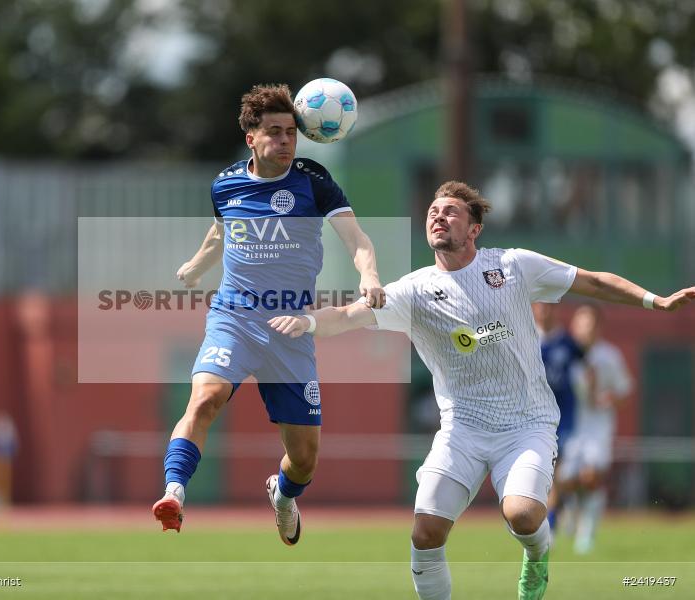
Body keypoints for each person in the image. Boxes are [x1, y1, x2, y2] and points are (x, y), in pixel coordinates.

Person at [269, 181, 695, 599]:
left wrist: (654, 301)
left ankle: (538, 554)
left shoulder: (512, 266)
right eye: (433, 212)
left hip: (526, 424)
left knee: (524, 515)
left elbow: (592, 282)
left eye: (451, 211)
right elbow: (346, 315)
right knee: (425, 532)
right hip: (463, 430)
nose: (439, 216)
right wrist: (307, 323)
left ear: (474, 228)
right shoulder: (412, 292)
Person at [152, 83, 386, 545]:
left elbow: (357, 239)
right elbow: (220, 234)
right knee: (203, 400)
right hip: (234, 317)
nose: (284, 142)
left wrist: (370, 276)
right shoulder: (226, 184)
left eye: (291, 134)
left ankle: (282, 496)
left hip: (290, 327)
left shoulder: (313, 182)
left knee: (303, 459)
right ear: (251, 139)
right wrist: (196, 267)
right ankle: (174, 493)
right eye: (274, 133)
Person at [558, 303, 632, 554]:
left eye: (589, 324)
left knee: (591, 477)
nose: (583, 329)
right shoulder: (565, 352)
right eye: (579, 323)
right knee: (565, 481)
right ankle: (570, 508)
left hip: (597, 427)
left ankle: (586, 533)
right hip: (567, 426)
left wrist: (607, 398)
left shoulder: (608, 356)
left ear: (598, 327)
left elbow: (624, 390)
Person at [532, 302, 587, 530]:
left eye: (550, 307)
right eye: (540, 306)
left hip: (563, 418)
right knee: (545, 473)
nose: (545, 311)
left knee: (554, 473)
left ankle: (550, 525)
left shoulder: (568, 343)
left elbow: (587, 365)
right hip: (531, 417)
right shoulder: (525, 337)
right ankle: (559, 511)